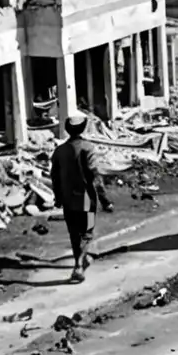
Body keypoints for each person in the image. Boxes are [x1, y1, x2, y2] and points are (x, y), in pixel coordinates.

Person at [51, 115, 114, 283]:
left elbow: (54, 177)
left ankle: (80, 259)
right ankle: (78, 266)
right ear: (83, 128)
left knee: (74, 233)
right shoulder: (88, 148)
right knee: (87, 232)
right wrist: (104, 199)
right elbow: (96, 176)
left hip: (67, 199)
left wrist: (57, 197)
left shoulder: (59, 151)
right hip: (86, 198)